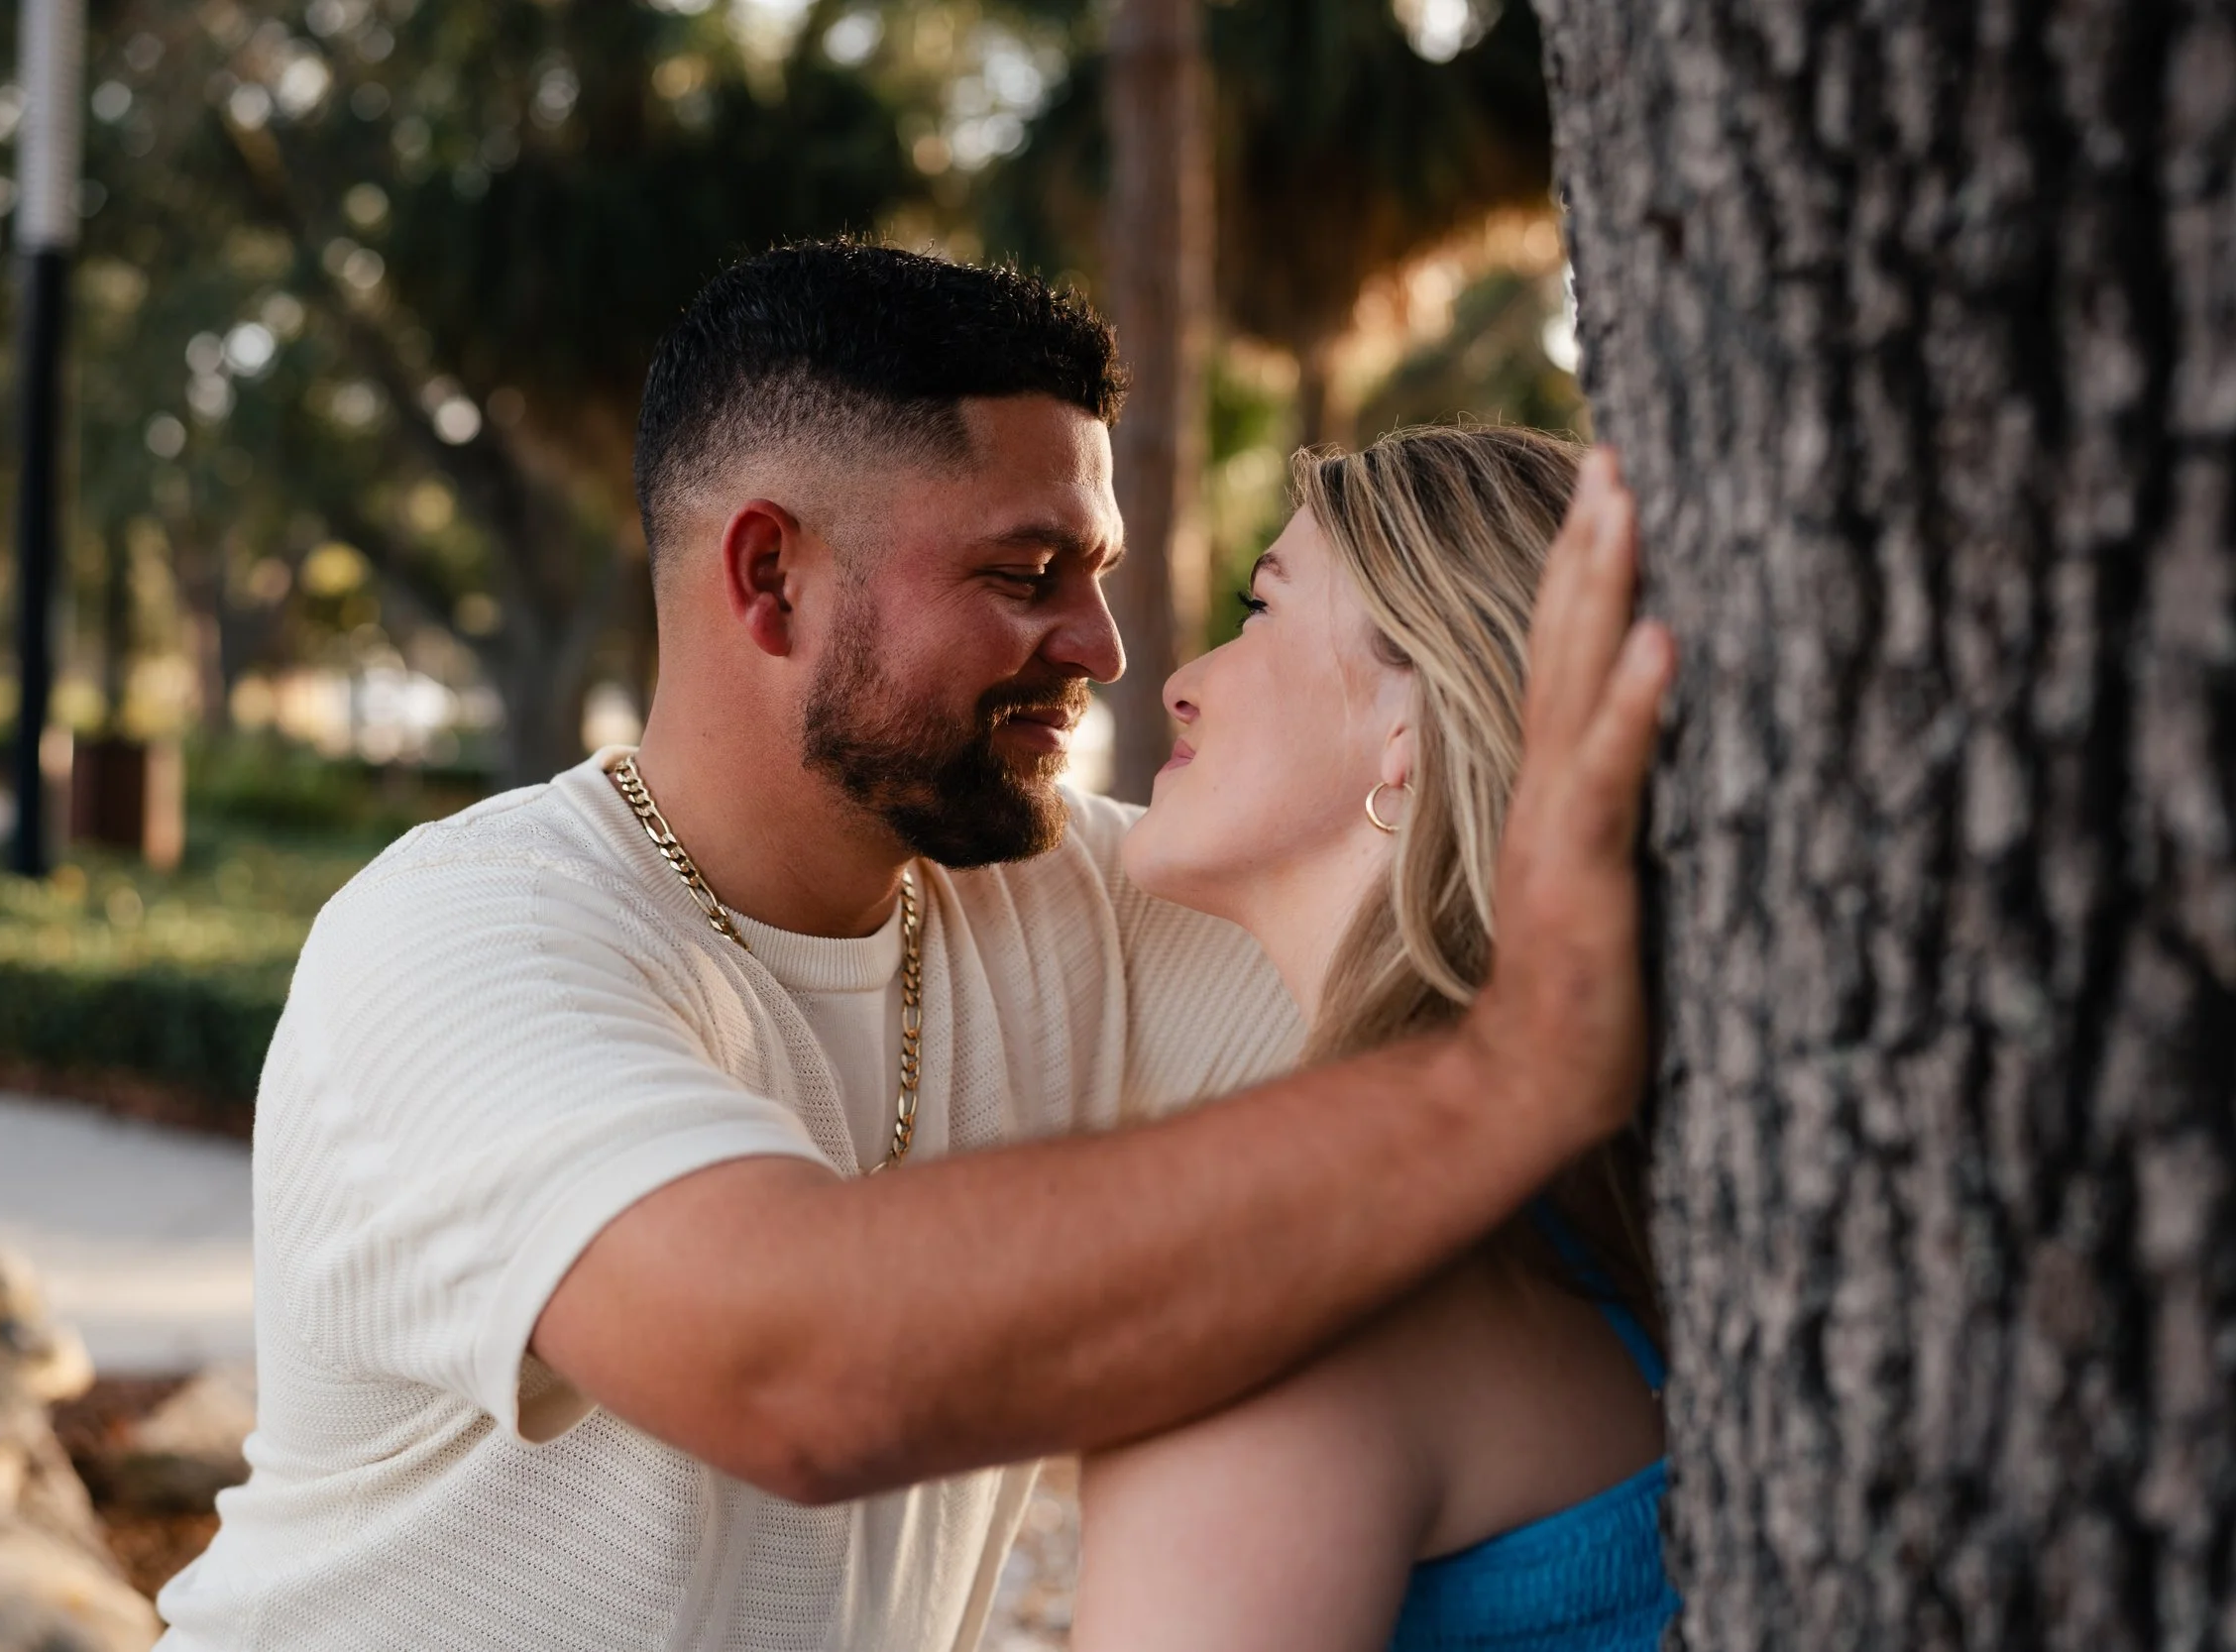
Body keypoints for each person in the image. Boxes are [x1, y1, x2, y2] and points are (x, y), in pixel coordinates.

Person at [156, 242, 1673, 1650]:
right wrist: (1508, 1078)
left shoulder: (1113, 901)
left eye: (1098, 571)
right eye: (1024, 573)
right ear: (771, 578)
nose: (1105, 648)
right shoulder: (458, 946)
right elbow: (794, 1369)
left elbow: (1416, 930)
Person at [1074, 424, 1677, 1651]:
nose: (1180, 679)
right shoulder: (1594, 1195)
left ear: (1412, 725)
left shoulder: (1289, 1301)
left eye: (1260, 609)